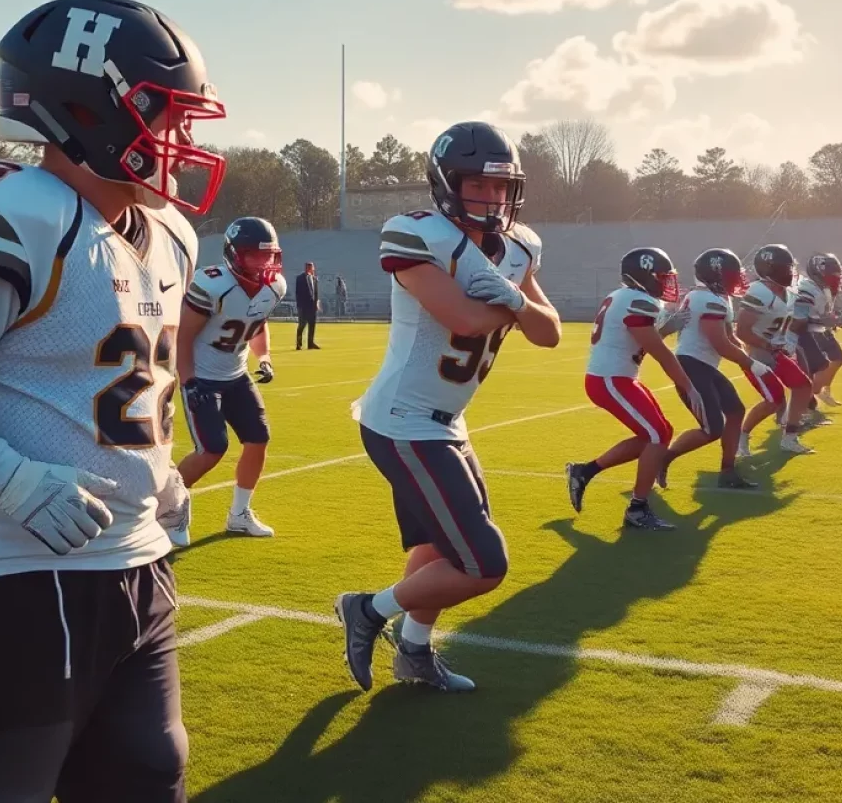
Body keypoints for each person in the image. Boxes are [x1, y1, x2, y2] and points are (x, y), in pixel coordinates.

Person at [0, 0, 227, 801]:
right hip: (6, 572)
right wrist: (11, 480)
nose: (182, 139)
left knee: (145, 778)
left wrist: (159, 474)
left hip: (137, 562)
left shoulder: (167, 232)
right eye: (162, 114)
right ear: (85, 110)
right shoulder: (11, 210)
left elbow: (129, 378)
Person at [334, 121, 561, 693]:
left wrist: (512, 298)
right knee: (484, 563)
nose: (491, 198)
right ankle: (366, 609)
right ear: (445, 183)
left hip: (448, 421)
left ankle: (413, 654)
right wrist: (516, 306)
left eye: (500, 187)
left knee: (438, 547)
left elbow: (551, 332)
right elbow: (460, 317)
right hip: (402, 421)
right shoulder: (416, 235)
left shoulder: (520, 247)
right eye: (476, 185)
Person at [565, 247, 704, 531]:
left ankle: (584, 471)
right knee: (656, 435)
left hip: (618, 376)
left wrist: (665, 329)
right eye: (662, 277)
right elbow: (660, 353)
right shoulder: (638, 300)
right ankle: (637, 509)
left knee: (659, 432)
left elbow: (639, 339)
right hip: (610, 379)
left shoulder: (623, 296)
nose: (667, 283)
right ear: (646, 276)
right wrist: (689, 387)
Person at [174, 217, 288, 543]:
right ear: (235, 254)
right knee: (211, 450)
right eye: (254, 255)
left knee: (258, 438)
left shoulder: (274, 285)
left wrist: (263, 357)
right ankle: (167, 510)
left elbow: (257, 322)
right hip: (203, 375)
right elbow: (183, 336)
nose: (263, 262)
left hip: (236, 374)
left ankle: (239, 514)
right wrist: (189, 380)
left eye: (268, 255)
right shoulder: (213, 284)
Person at [659, 249, 771, 489]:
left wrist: (746, 355)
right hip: (692, 365)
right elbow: (719, 344)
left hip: (703, 365)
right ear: (716, 275)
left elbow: (729, 337)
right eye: (731, 275)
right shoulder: (707, 299)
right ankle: (663, 458)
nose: (736, 280)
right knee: (712, 429)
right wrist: (752, 363)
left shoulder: (715, 297)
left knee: (735, 411)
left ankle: (728, 471)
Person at [735, 244, 814, 456]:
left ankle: (789, 437)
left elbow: (785, 323)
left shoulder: (787, 292)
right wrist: (769, 345)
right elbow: (742, 331)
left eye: (790, 268)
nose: (789, 272)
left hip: (774, 349)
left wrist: (786, 341)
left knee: (803, 385)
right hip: (757, 353)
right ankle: (741, 436)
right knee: (774, 400)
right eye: (784, 268)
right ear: (769, 269)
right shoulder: (759, 291)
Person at [794, 253, 842, 410]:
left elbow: (822, 312)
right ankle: (809, 397)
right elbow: (800, 318)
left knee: (838, 359)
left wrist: (833, 318)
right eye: (831, 274)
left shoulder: (822, 288)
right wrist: (826, 320)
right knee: (813, 369)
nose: (836, 277)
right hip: (809, 333)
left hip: (820, 330)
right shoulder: (807, 288)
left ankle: (819, 392)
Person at [295, 261, 320, 349]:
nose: (310, 269)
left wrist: (316, 302)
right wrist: (299, 306)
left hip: (312, 306)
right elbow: (298, 293)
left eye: (311, 267)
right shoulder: (300, 278)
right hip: (303, 306)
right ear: (306, 268)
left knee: (312, 325)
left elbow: (316, 293)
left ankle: (310, 343)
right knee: (302, 325)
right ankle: (298, 344)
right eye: (308, 267)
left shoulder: (314, 279)